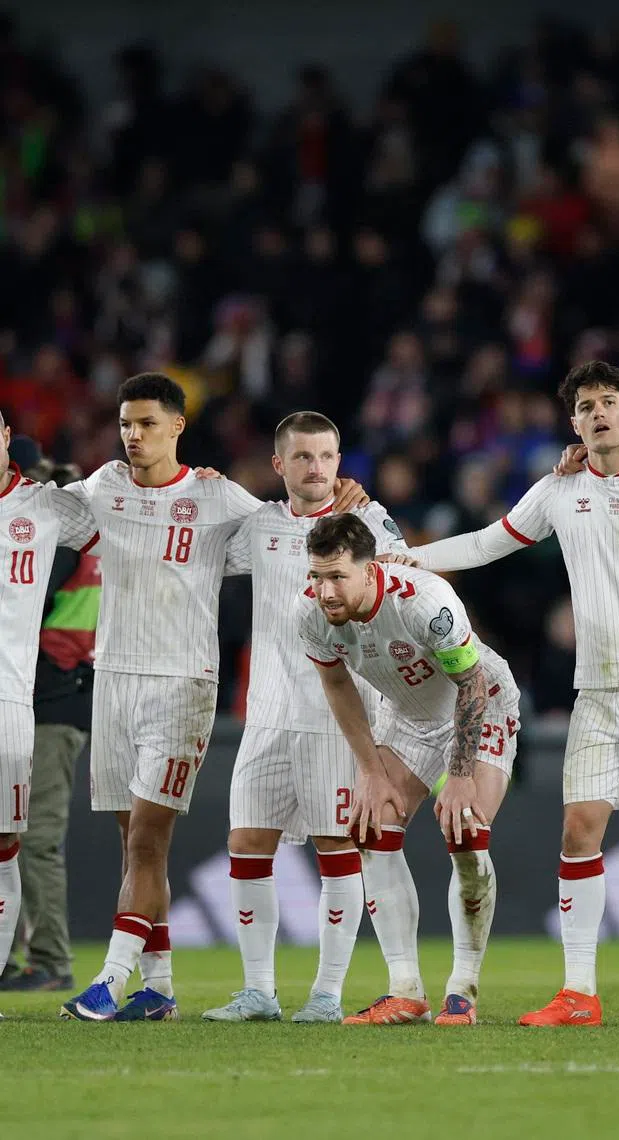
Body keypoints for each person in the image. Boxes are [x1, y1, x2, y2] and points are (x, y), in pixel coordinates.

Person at [408, 360, 619, 1027]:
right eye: (585, 408)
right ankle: (579, 992)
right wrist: (410, 558)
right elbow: (489, 541)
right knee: (580, 829)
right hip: (599, 691)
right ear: (574, 423)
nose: (598, 414)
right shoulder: (561, 490)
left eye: (609, 402)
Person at [58, 373, 367, 1022]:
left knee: (147, 837)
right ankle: (161, 987)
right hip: (114, 678)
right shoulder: (103, 487)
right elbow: (40, 512)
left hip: (182, 684)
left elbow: (293, 529)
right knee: (135, 845)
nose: (132, 435)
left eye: (145, 423)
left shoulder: (217, 496)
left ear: (177, 426)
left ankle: (112, 978)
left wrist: (342, 502)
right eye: (124, 423)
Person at [201, 412, 405, 1024]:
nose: (316, 469)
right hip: (265, 712)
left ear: (340, 463)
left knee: (335, 847)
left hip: (336, 716)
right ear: (279, 465)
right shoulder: (260, 527)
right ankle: (258, 992)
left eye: (326, 457)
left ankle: (326, 994)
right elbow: (206, 553)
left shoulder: (368, 526)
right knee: (246, 843)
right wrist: (201, 488)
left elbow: (405, 580)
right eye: (303, 457)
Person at [298, 512, 520, 1027]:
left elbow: (470, 684)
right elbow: (338, 688)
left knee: (467, 831)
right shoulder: (309, 613)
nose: (325, 592)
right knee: (372, 828)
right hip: (406, 717)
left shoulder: (426, 601)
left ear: (369, 569)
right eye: (317, 576)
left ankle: (462, 990)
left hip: (481, 702)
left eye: (336, 577)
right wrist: (371, 771)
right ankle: (405, 990)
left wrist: (460, 775)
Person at [0, 413, 94, 1018]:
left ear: (6, 440)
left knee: (10, 843)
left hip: (15, 703)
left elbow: (136, 504)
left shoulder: (48, 508)